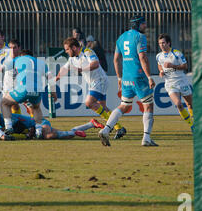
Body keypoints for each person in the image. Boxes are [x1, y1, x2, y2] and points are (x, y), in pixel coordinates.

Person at [98, 16, 157, 147]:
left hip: (126, 77)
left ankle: (106, 129)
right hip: (139, 76)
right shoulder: (140, 37)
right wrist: (149, 76)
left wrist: (119, 78)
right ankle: (146, 138)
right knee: (148, 105)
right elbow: (143, 57)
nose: (145, 26)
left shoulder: (121, 37)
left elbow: (115, 59)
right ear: (138, 25)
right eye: (143, 24)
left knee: (124, 105)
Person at [56, 37, 126, 140]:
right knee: (103, 107)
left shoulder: (87, 51)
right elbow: (64, 68)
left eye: (67, 49)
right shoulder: (72, 58)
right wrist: (56, 78)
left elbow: (95, 64)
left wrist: (81, 69)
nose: (66, 51)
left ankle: (114, 126)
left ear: (74, 47)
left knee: (89, 102)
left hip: (99, 81)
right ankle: (117, 127)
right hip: (96, 82)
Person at [0, 50, 51, 139]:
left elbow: (2, 68)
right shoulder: (41, 63)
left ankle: (8, 127)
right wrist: (53, 91)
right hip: (37, 90)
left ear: (22, 55)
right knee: (36, 108)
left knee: (5, 102)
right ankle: (38, 132)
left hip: (23, 89)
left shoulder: (18, 59)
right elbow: (50, 76)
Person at [156, 34, 194, 132]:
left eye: (163, 43)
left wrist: (172, 65)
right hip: (170, 83)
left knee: (190, 104)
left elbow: (185, 66)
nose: (161, 45)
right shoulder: (158, 56)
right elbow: (160, 65)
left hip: (182, 81)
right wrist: (161, 71)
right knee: (178, 104)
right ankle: (192, 125)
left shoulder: (177, 54)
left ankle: (194, 120)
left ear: (168, 43)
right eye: (160, 43)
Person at [0, 109, 105, 140]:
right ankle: (90, 124)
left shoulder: (8, 117)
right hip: (36, 126)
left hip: (40, 123)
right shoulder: (2, 124)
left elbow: (21, 127)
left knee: (48, 135)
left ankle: (74, 132)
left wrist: (29, 134)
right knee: (56, 135)